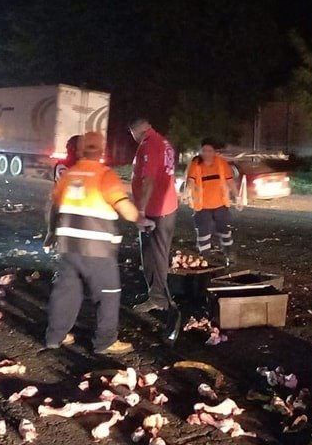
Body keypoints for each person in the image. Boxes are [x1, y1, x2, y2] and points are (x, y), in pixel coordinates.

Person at [43, 132, 150, 356]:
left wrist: (51, 233)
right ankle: (105, 342)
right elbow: (125, 208)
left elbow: (53, 207)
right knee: (108, 294)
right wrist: (142, 220)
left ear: (81, 150)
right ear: (101, 151)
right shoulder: (105, 176)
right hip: (97, 249)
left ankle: (55, 337)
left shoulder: (68, 175)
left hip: (68, 246)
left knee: (66, 292)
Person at [129, 118, 179, 314]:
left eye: (134, 137)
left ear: (138, 132)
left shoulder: (149, 145)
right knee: (158, 254)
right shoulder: (164, 142)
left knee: (153, 255)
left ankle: (160, 299)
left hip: (155, 209)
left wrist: (141, 210)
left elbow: (148, 179)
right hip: (168, 206)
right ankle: (158, 295)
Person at [184, 137, 241, 259]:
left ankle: (229, 254)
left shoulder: (221, 163)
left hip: (220, 205)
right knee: (203, 233)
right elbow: (191, 181)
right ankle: (205, 257)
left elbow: (230, 181)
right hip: (202, 206)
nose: (206, 153)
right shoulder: (196, 164)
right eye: (204, 150)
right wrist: (187, 193)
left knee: (225, 231)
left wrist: (238, 197)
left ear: (215, 152)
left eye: (209, 151)